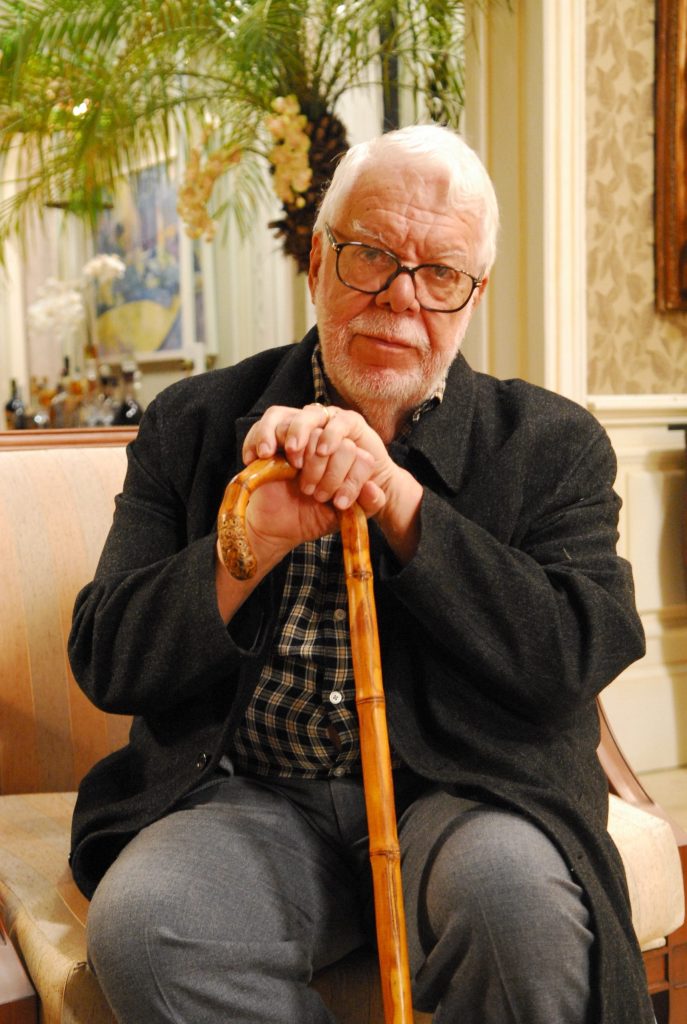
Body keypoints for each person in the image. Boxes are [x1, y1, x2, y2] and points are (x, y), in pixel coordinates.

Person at [68, 124, 653, 1024]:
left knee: (518, 909)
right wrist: (248, 540)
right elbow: (109, 660)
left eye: (439, 273)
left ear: (474, 295)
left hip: (471, 793)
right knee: (147, 927)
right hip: (243, 795)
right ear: (317, 262)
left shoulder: (551, 444)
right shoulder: (192, 422)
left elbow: (568, 659)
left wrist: (399, 502)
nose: (399, 298)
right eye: (370, 256)